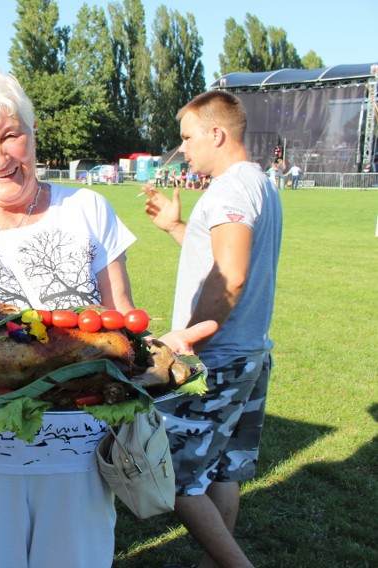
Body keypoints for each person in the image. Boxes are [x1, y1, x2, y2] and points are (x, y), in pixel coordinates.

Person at [0, 70, 215, 568]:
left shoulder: (88, 209)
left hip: (78, 456)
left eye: (11, 135)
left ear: (33, 133)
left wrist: (151, 353)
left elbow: (121, 318)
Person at [142, 90, 282, 568]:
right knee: (223, 470)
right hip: (249, 351)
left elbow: (233, 275)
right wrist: (176, 229)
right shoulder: (255, 183)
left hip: (219, 356)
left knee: (174, 475)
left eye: (187, 137)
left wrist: (188, 338)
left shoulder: (228, 190)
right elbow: (220, 259)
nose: (183, 149)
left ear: (217, 134)